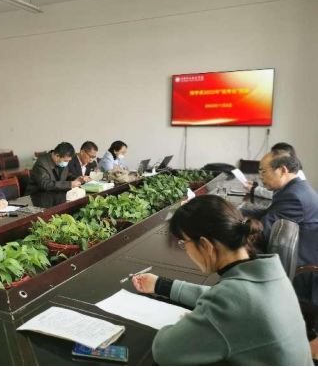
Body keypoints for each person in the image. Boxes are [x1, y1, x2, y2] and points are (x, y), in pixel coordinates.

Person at [132, 195, 312, 365]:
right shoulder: (269, 271)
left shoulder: (230, 301)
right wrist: (161, 285)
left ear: (205, 245)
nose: (186, 250)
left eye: (184, 243)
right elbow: (227, 299)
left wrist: (187, 324)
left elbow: (164, 351)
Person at [242, 149, 318, 304]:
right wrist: (236, 211)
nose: (260, 177)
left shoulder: (294, 196)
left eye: (263, 171)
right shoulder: (296, 188)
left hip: (300, 271)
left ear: (282, 170)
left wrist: (234, 223)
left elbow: (262, 233)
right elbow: (267, 213)